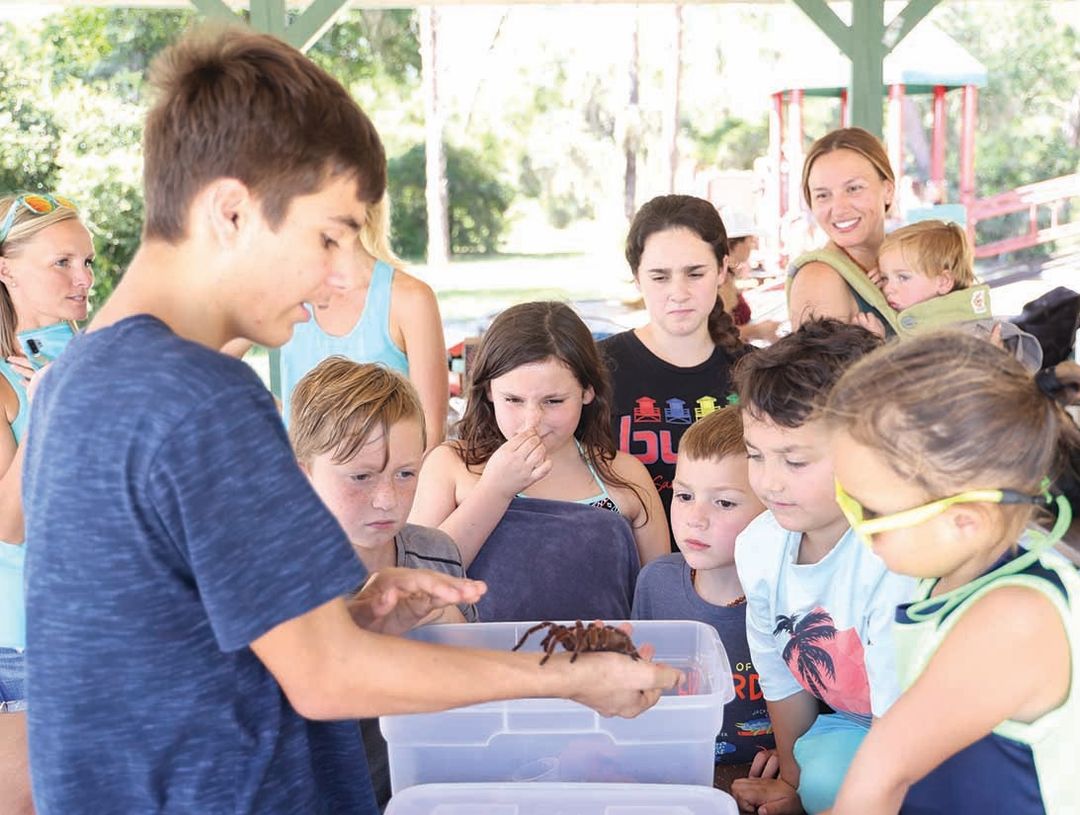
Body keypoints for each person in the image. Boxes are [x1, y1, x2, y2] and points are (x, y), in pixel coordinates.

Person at [20, 28, 681, 815]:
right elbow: (326, 674)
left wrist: (357, 614)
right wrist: (570, 678)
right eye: (330, 235)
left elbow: (171, 637)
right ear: (230, 210)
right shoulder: (202, 395)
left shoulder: (78, 377)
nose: (341, 275)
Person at [824, 331, 1080, 814]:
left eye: (870, 512)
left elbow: (880, 776)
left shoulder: (1015, 618)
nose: (855, 526)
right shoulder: (958, 566)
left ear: (966, 519)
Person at [729, 320, 916, 815]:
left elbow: (904, 733)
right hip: (856, 724)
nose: (769, 483)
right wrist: (791, 780)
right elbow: (776, 667)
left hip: (931, 734)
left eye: (795, 461)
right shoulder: (759, 546)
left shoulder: (895, 559)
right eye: (756, 455)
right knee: (820, 775)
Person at [289, 356, 476, 811]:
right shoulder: (280, 577)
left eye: (406, 474)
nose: (386, 499)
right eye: (360, 476)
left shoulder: (437, 555)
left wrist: (452, 626)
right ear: (301, 471)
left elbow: (473, 705)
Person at [411, 301, 668, 590]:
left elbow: (658, 595)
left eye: (553, 401)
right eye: (513, 400)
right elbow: (418, 581)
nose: (532, 421)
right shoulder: (451, 466)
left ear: (587, 392)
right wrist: (494, 490)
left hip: (599, 636)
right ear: (489, 392)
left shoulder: (624, 475)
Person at [0, 191, 93, 815]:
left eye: (88, 263)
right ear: (5, 269)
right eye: (63, 263)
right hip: (28, 640)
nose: (84, 280)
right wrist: (46, 418)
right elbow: (9, 527)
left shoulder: (92, 358)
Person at [226, 195, 449, 449]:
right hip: (302, 483)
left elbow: (431, 433)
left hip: (384, 483)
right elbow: (211, 361)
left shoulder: (411, 299)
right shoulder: (286, 291)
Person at [631, 405, 774, 789]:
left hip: (765, 781)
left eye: (724, 502)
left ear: (775, 506)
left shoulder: (791, 596)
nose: (695, 518)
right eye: (684, 495)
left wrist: (795, 756)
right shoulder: (654, 582)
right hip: (672, 775)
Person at [601, 195, 750, 549]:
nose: (678, 293)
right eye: (660, 276)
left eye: (694, 273)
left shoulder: (757, 374)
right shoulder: (596, 370)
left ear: (722, 269)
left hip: (734, 581)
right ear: (637, 277)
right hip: (623, 578)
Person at [867, 219, 1042, 370]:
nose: (889, 288)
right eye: (885, 278)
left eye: (903, 277)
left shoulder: (974, 334)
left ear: (943, 282)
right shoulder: (914, 323)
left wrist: (879, 348)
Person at [787, 128, 899, 335]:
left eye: (854, 189)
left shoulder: (912, 259)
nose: (839, 209)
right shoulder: (819, 279)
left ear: (888, 191)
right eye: (823, 195)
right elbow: (819, 368)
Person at [718, 210, 780, 344]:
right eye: (750, 241)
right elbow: (719, 334)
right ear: (735, 244)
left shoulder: (726, 276)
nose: (752, 247)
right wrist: (758, 331)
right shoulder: (722, 281)